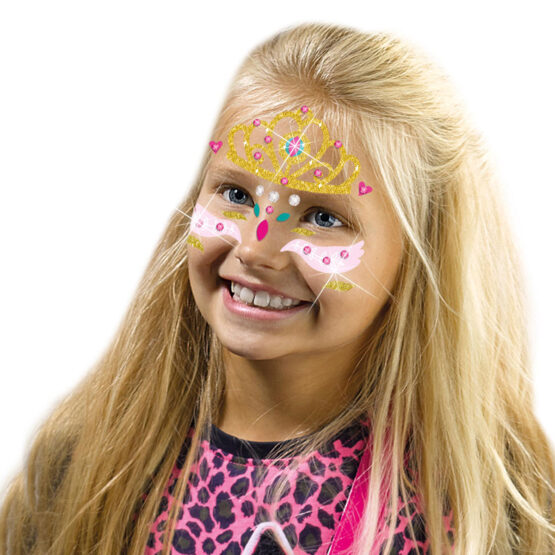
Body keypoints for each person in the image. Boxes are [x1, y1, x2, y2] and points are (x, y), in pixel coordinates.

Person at [1, 22, 553, 554]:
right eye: (236, 195)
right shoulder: (87, 462)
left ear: (417, 256)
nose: (255, 248)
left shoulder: (474, 503)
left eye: (323, 217)